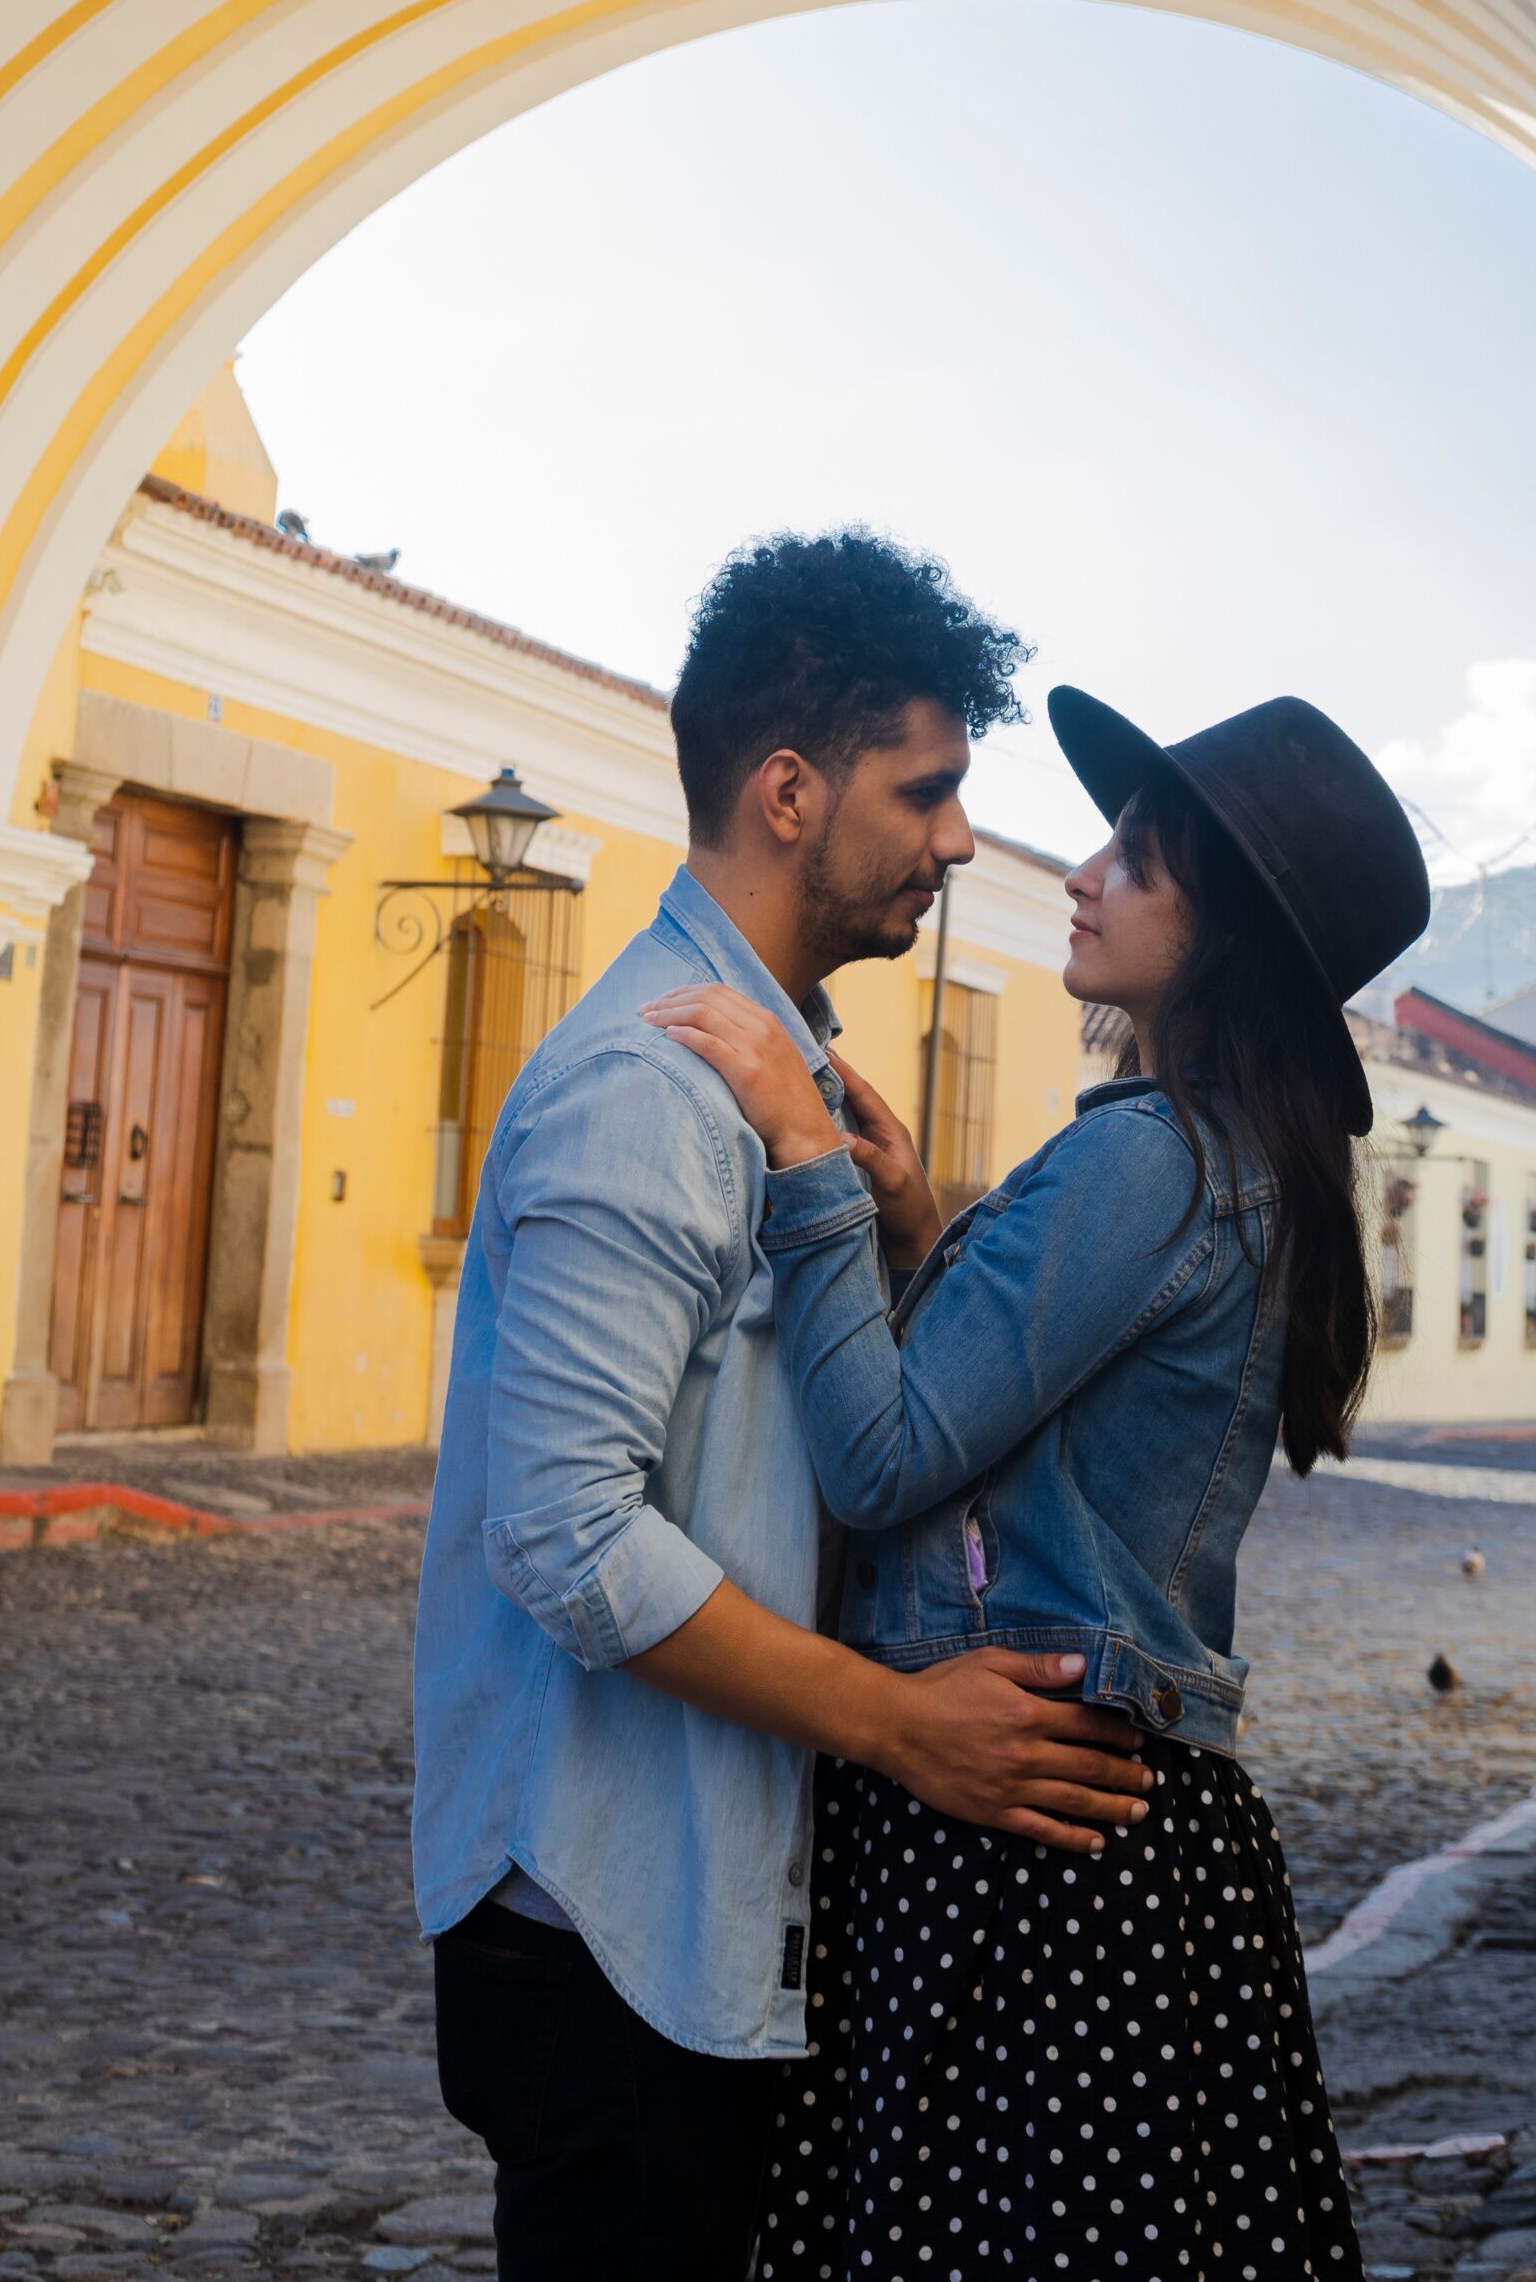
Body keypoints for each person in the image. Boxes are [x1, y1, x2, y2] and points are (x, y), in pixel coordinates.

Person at [413, 535, 1156, 2282]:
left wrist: (900, 1240)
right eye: (934, 789)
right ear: (792, 792)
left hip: (705, 1893)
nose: (964, 841)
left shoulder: (792, 1078)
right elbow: (569, 1539)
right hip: (608, 1917)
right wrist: (903, 1728)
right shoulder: (650, 1090)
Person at [645, 679, 1432, 2282]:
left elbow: (877, 1465)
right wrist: (934, 1238)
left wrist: (802, 1164)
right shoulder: (1235, 1158)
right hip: (1137, 1857)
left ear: (1228, 940)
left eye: (1137, 861)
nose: (1081, 872)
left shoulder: (1144, 1156)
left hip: (1023, 1854)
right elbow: (1066, 1424)